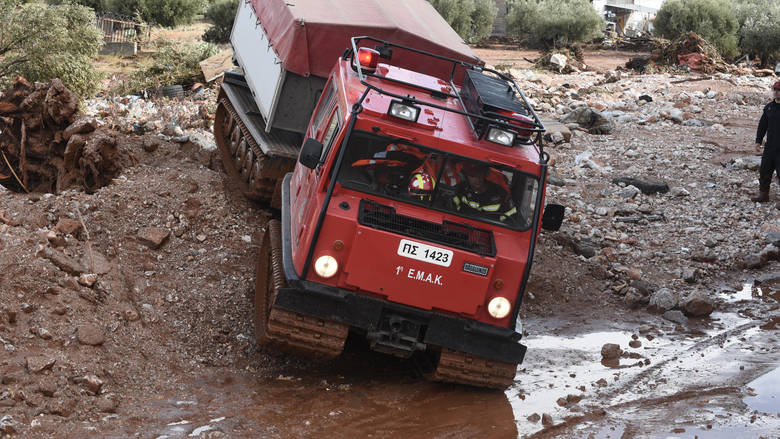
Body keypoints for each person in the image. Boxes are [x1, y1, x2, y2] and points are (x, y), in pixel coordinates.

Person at [751, 81, 780, 203]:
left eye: (778, 90)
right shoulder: (769, 107)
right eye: (774, 89)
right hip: (770, 146)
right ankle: (763, 195)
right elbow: (762, 125)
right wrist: (758, 141)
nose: (776, 92)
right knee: (764, 170)